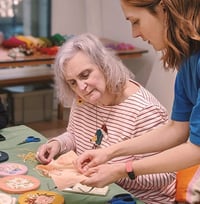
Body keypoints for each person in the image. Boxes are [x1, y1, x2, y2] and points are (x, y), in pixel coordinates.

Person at [75, 0, 200, 198]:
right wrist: (109, 153)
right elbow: (176, 129)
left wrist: (122, 169)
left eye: (135, 21)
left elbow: (196, 149)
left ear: (164, 9)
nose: (135, 34)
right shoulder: (187, 61)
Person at [35, 33, 176, 203]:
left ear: (104, 65)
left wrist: (116, 172)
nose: (81, 87)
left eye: (85, 75)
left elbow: (165, 176)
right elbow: (75, 135)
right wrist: (57, 144)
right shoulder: (84, 98)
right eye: (72, 82)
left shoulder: (144, 110)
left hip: (140, 199)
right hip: (96, 190)